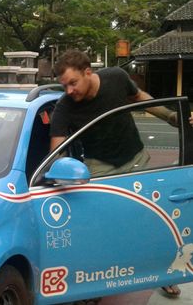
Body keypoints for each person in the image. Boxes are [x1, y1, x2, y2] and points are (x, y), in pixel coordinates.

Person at [49, 49, 182, 298]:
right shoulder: (64, 107)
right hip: (99, 167)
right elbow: (57, 148)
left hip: (136, 159)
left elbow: (141, 98)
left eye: (73, 83)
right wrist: (61, 170)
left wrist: (173, 117)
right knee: (107, 225)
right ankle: (99, 281)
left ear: (88, 72)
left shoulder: (116, 77)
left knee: (152, 220)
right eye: (64, 85)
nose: (69, 91)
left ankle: (165, 274)